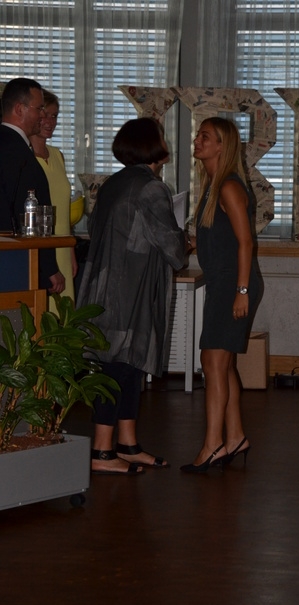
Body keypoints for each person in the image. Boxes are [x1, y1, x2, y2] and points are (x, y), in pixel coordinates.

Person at [77, 117, 188, 474]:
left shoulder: (114, 182)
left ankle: (127, 444)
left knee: (128, 365)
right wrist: (187, 240)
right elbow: (173, 249)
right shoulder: (151, 188)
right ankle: (102, 451)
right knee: (118, 366)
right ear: (150, 145)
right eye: (161, 136)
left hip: (106, 285)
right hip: (130, 288)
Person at [180, 117, 261, 473]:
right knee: (221, 365)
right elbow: (224, 238)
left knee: (212, 362)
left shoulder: (228, 186)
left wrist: (241, 291)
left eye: (205, 137)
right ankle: (236, 437)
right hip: (224, 281)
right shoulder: (214, 186)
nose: (197, 141)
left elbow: (246, 242)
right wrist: (194, 242)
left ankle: (213, 445)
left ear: (221, 147)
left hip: (233, 284)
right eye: (198, 135)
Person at [0, 77, 65, 294]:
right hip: (15, 263)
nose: (42, 115)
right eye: (39, 109)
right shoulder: (18, 153)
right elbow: (27, 213)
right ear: (20, 109)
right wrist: (49, 267)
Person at [30, 89, 77, 305]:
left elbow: (64, 210)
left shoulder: (58, 155)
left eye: (55, 116)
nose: (50, 122)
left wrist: (70, 251)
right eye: (45, 115)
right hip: (39, 250)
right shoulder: (23, 157)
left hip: (63, 248)